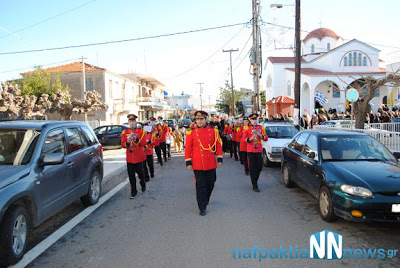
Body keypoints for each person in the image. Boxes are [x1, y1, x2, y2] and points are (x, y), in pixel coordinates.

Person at [185, 110, 223, 216]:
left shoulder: (213, 131)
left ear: (206, 120)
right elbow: (188, 148)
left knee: (211, 183)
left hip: (210, 162)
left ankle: (205, 199)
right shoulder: (191, 132)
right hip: (198, 163)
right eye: (197, 119)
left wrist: (219, 158)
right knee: (200, 186)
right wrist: (188, 161)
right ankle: (202, 207)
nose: (199, 121)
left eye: (201, 119)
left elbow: (218, 145)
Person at [121, 114, 147, 199]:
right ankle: (133, 192)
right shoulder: (125, 132)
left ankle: (143, 184)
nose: (131, 123)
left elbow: (143, 143)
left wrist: (136, 139)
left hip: (139, 157)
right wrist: (127, 142)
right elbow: (122, 144)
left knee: (140, 174)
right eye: (130, 121)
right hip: (130, 158)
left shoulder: (142, 131)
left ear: (136, 122)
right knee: (131, 176)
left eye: (133, 121)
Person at [242, 113, 268, 192]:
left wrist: (260, 135)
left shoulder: (261, 127)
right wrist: (250, 138)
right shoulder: (247, 128)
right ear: (250, 120)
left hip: (258, 149)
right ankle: (254, 185)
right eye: (253, 119)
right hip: (250, 150)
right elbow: (244, 139)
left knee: (259, 168)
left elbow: (266, 138)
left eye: (255, 119)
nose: (254, 121)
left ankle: (255, 180)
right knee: (252, 168)